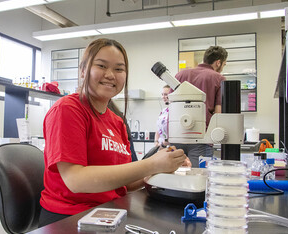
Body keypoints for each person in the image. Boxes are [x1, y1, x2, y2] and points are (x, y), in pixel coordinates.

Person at [39, 38, 188, 227]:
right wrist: (150, 165)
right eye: (101, 65)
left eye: (119, 69)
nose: (110, 75)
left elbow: (122, 184)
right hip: (70, 218)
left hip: (108, 211)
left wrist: (161, 167)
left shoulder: (117, 122)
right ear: (83, 70)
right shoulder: (68, 109)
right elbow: (76, 180)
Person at [172, 45, 228, 167]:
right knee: (198, 177)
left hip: (176, 135)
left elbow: (170, 107)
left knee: (175, 177)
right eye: (224, 65)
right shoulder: (219, 78)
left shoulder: (180, 75)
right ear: (218, 63)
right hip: (201, 137)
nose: (222, 68)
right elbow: (218, 114)